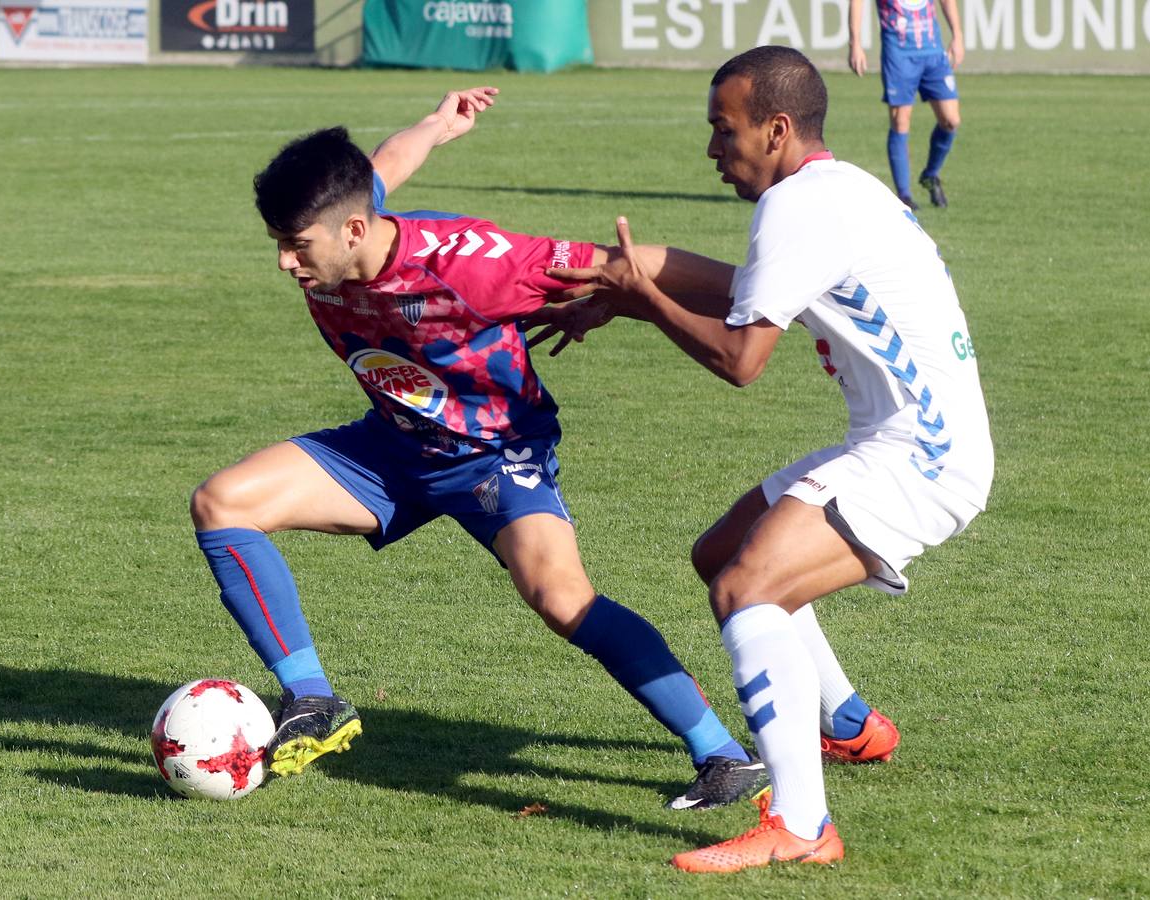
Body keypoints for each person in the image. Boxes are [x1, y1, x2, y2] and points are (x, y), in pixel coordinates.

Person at [188, 87, 771, 810]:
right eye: (279, 242)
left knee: (561, 599)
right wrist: (436, 124)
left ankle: (721, 754)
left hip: (495, 456)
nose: (284, 263)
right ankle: (313, 699)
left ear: (353, 230)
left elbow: (628, 262)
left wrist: (771, 295)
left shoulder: (473, 265)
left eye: (295, 246)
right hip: (394, 448)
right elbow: (384, 165)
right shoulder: (345, 219)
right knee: (222, 503)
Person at [533, 45, 993, 872]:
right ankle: (846, 723)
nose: (713, 149)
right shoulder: (835, 188)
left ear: (775, 129)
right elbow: (749, 282)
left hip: (921, 456)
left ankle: (802, 824)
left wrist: (643, 298)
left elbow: (739, 360)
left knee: (747, 590)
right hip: (912, 441)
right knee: (719, 552)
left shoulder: (797, 209)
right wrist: (624, 282)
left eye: (724, 129)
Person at [849, 0, 964, 209]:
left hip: (932, 52)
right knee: (900, 120)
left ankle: (930, 174)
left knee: (951, 120)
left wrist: (957, 35)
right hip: (898, 53)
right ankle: (904, 195)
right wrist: (855, 42)